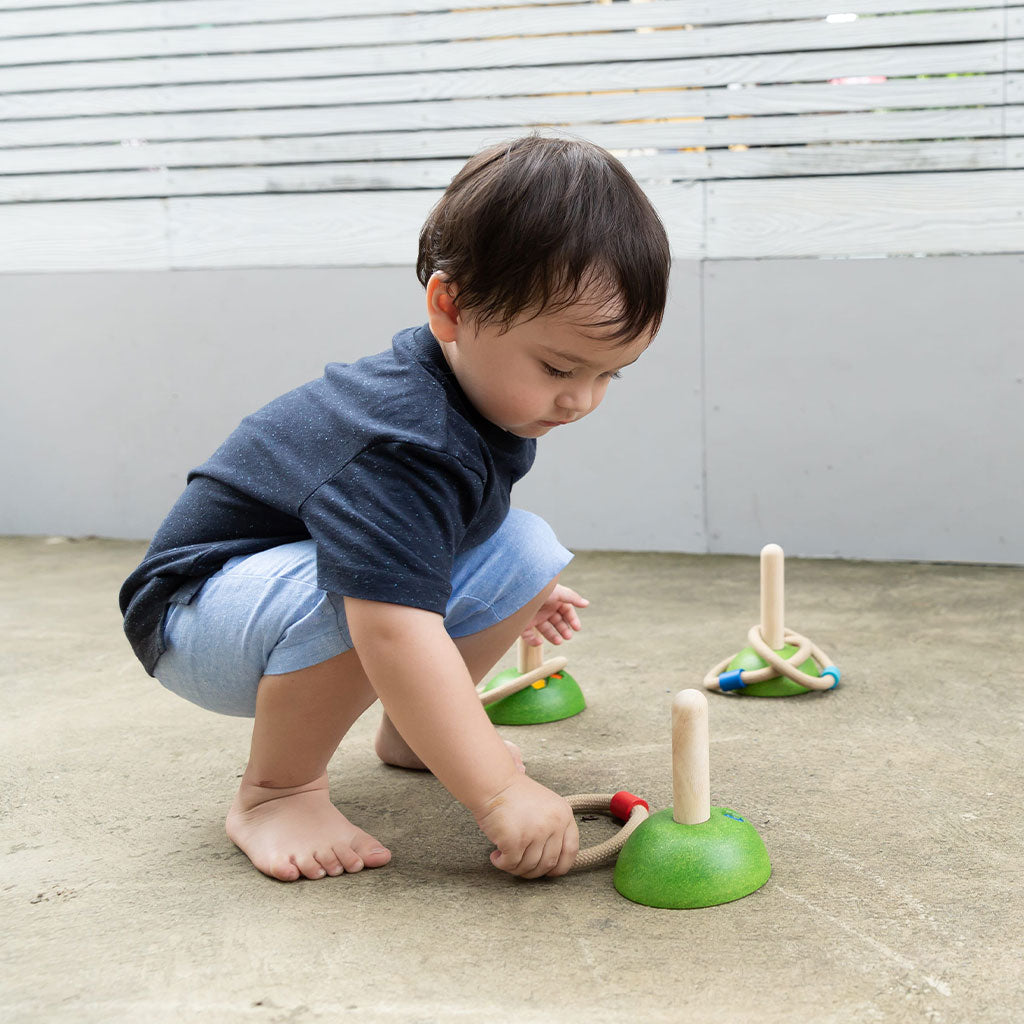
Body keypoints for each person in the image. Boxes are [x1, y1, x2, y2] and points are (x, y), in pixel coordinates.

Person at [119, 134, 671, 883]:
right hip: (194, 616)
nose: (580, 400)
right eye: (559, 368)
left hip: (271, 597)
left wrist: (513, 587)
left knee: (527, 550)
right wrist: (498, 791)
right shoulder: (402, 436)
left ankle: (413, 736)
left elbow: (446, 539)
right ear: (451, 307)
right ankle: (277, 791)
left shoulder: (483, 399)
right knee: (372, 602)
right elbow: (388, 621)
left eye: (613, 374)